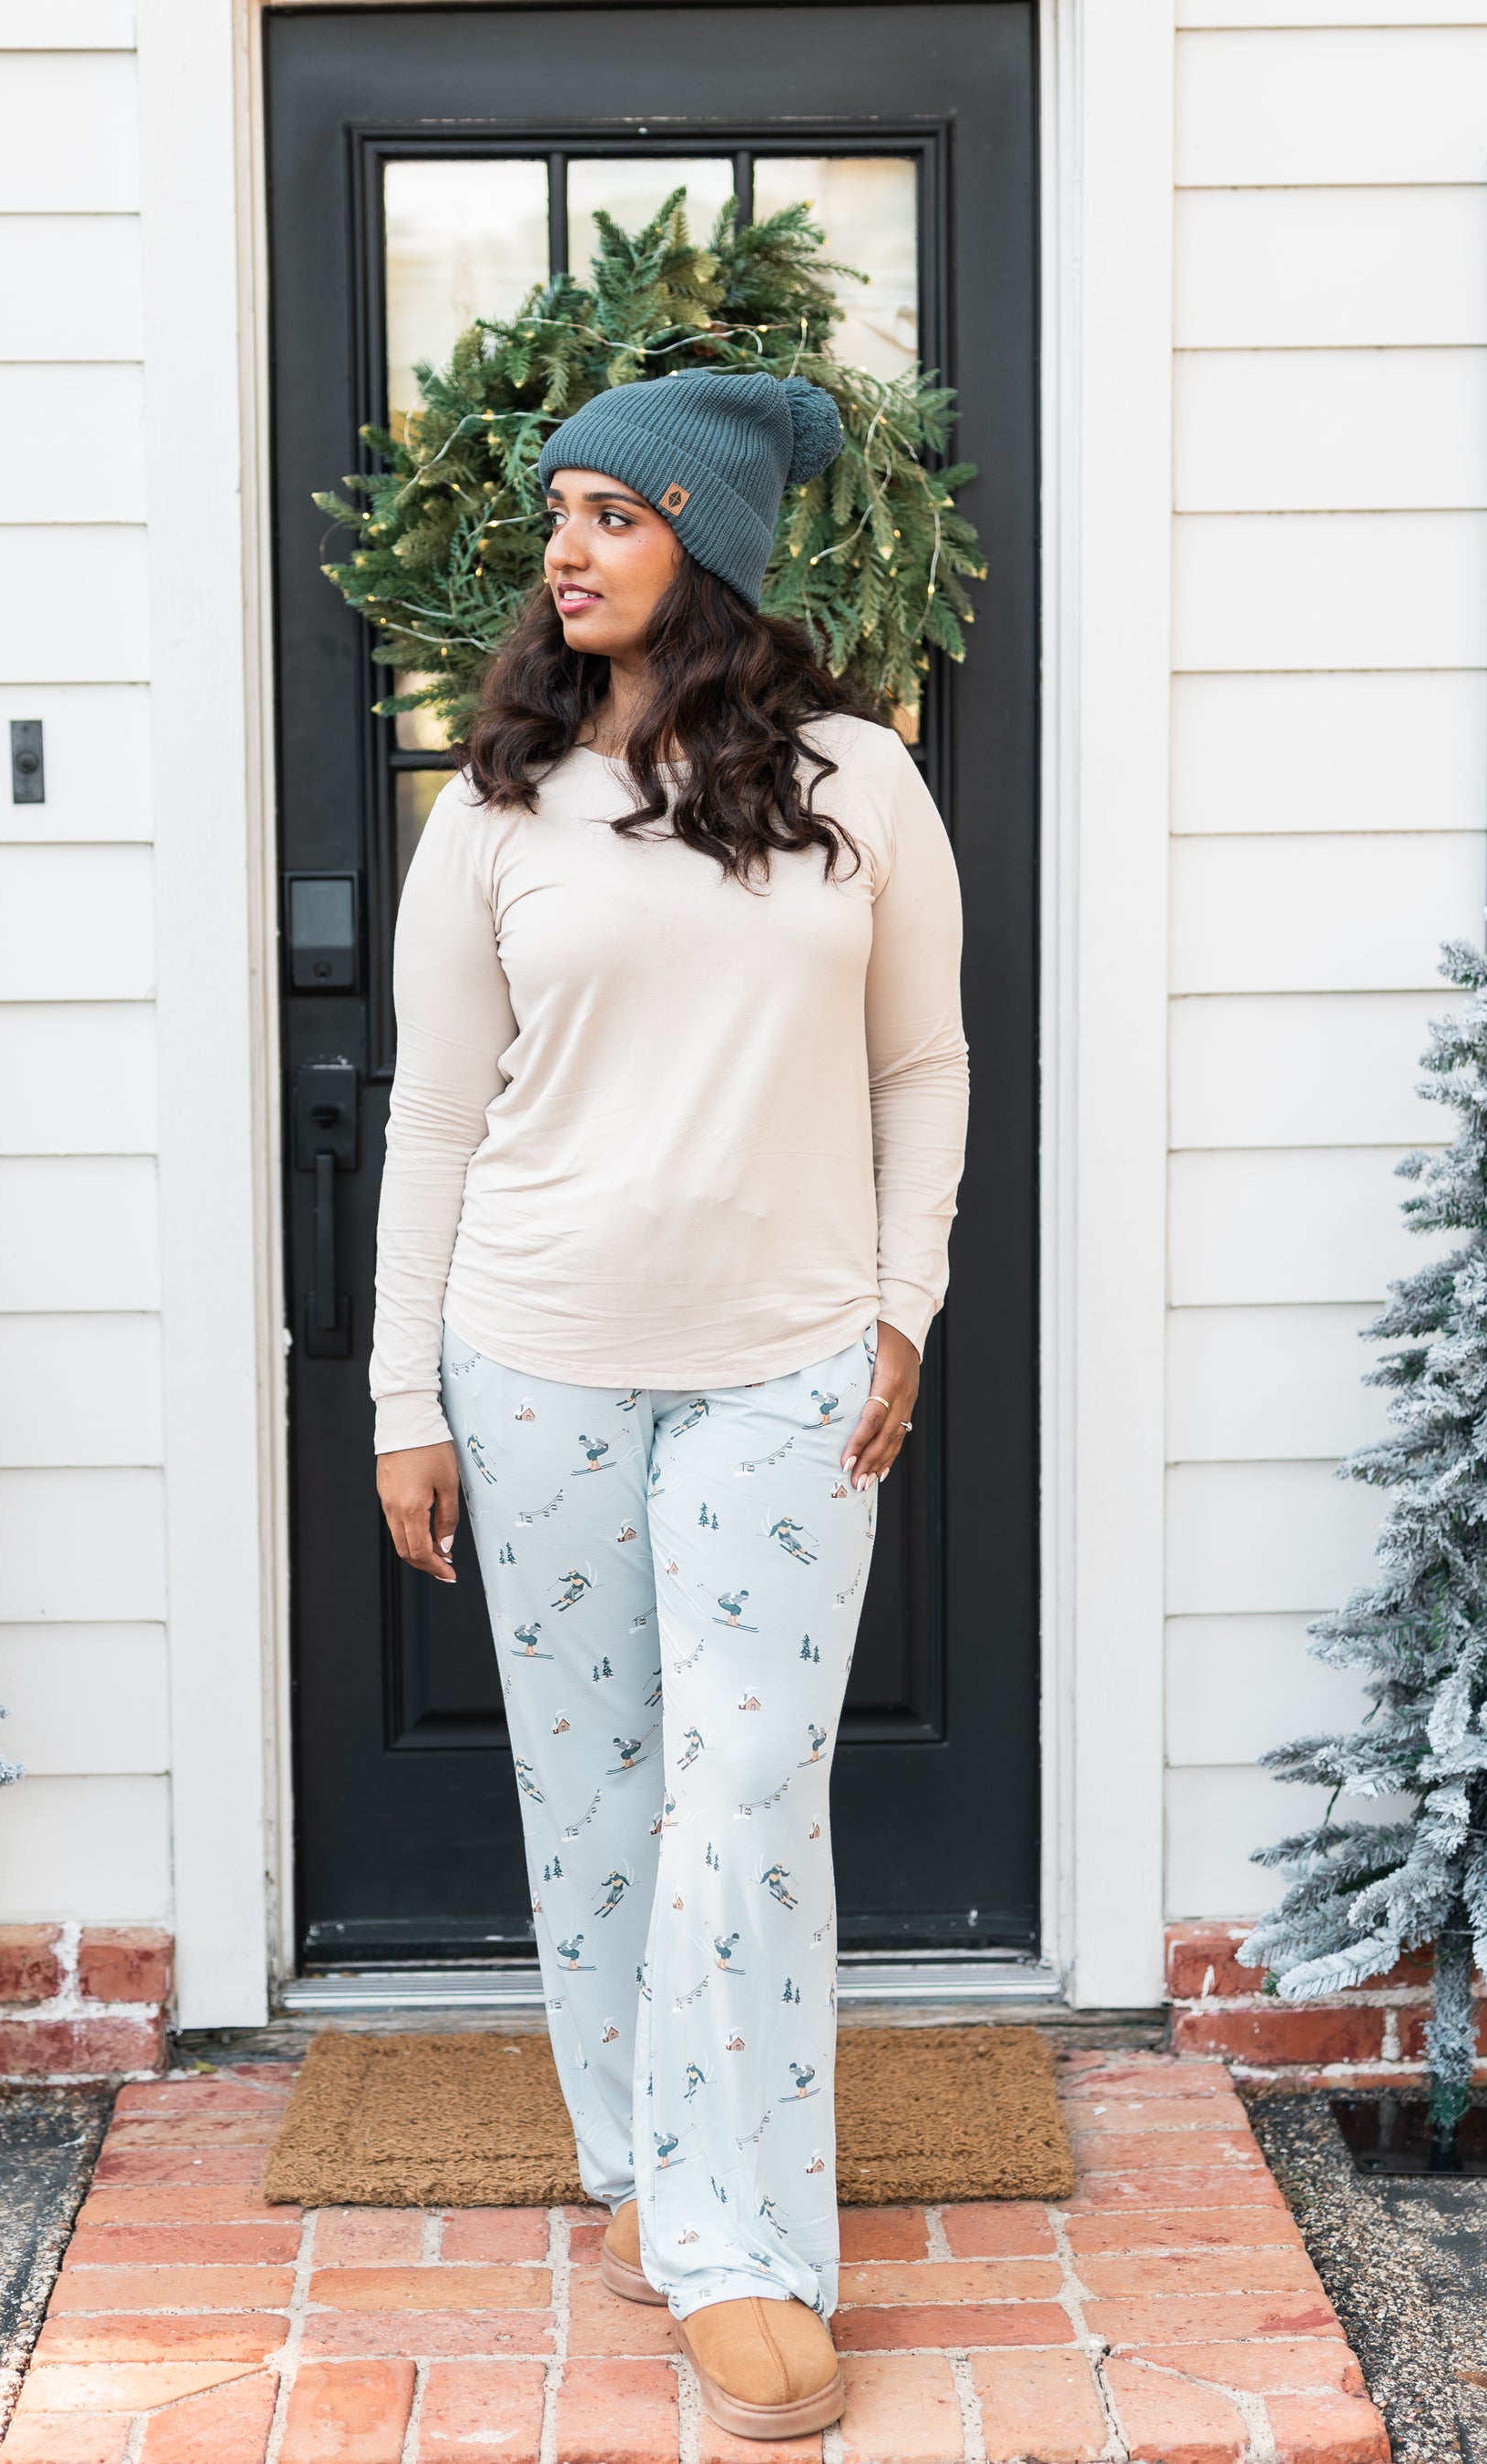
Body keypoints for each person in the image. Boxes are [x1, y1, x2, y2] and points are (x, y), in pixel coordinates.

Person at [372, 366, 967, 2443]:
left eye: (613, 512)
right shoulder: (497, 802)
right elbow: (434, 1114)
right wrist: (401, 1393)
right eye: (560, 512)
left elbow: (922, 1066)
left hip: (788, 1365)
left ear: (709, 544)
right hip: (532, 1356)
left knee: (748, 1793)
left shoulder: (860, 784)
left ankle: (746, 2245)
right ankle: (644, 2164)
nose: (565, 549)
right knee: (600, 1797)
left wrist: (904, 1307)